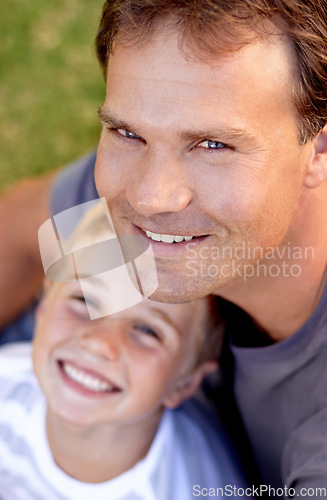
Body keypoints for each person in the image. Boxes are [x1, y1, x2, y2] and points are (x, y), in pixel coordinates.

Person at [1, 0, 327, 494]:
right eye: (127, 132)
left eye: (214, 145)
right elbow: (16, 236)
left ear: (318, 148)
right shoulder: (145, 172)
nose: (150, 198)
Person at [0, 204, 246, 500]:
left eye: (147, 331)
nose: (100, 343)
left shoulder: (193, 487)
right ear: (44, 307)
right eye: (84, 300)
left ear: (185, 383)